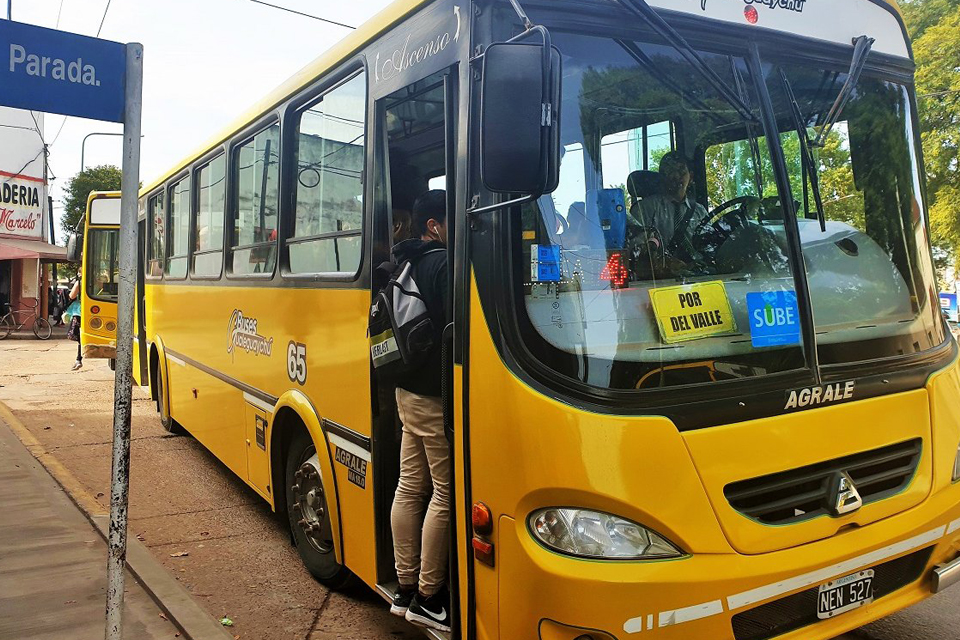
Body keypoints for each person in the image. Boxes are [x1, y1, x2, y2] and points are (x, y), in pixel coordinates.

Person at [388, 189, 451, 632]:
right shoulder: (442, 263)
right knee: (444, 493)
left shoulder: (404, 262)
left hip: (406, 390)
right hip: (433, 395)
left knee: (410, 486)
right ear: (434, 225)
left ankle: (405, 587)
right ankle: (429, 597)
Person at [638, 152, 710, 264]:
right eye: (670, 171)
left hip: (699, 273)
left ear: (691, 177)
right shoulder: (646, 208)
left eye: (681, 171)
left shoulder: (699, 211)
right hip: (661, 277)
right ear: (662, 177)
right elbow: (637, 250)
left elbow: (709, 243)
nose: (676, 176)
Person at [68, 273, 82, 370]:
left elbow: (72, 296)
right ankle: (78, 359)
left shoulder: (79, 283)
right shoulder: (99, 281)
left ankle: (79, 359)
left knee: (78, 336)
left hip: (79, 311)